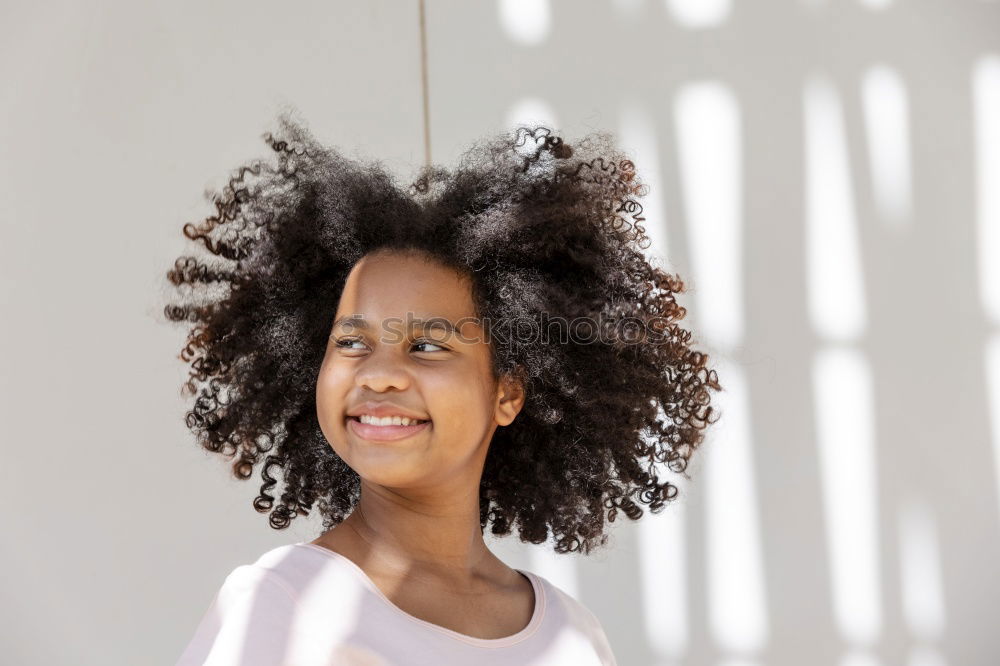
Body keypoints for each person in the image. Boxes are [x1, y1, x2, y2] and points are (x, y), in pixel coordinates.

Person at [164, 112, 723, 665]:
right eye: (351, 343)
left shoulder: (572, 636)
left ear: (507, 393)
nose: (376, 374)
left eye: (428, 346)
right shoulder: (285, 605)